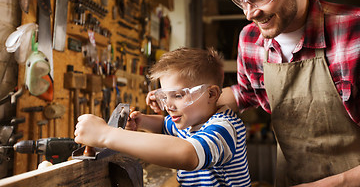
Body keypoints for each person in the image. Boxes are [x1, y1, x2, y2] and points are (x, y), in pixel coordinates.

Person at [147, 0, 360, 186]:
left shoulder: (354, 33)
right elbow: (246, 95)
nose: (250, 14)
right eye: (241, 1)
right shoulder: (250, 40)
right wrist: (180, 97)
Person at [75, 47, 251, 187]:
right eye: (164, 96)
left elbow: (188, 154)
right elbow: (164, 125)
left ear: (211, 95)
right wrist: (142, 121)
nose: (168, 105)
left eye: (178, 96)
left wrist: (106, 135)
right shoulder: (191, 121)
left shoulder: (225, 128)